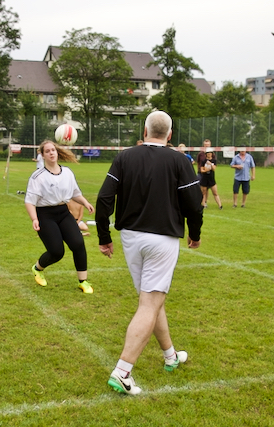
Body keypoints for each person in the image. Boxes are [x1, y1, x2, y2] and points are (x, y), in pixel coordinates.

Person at [96, 111, 203, 395]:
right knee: (149, 303)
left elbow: (104, 198)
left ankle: (170, 355)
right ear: (170, 135)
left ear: (144, 131)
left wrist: (104, 237)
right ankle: (122, 372)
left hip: (131, 238)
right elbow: (194, 204)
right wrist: (195, 234)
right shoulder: (180, 160)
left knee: (151, 300)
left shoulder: (125, 157)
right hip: (162, 240)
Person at [25, 140, 95, 294]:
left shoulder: (67, 172)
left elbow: (75, 193)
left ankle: (83, 281)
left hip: (63, 212)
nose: (51, 153)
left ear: (57, 152)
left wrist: (85, 203)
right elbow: (29, 201)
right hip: (45, 215)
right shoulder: (38, 177)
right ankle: (37, 268)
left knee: (78, 243)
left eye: (53, 150)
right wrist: (34, 219)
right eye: (47, 151)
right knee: (57, 252)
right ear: (43, 155)